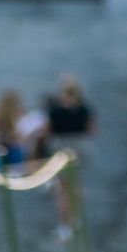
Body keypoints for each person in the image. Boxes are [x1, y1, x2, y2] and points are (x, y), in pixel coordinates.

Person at [44, 74, 97, 241]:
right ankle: (74, 219)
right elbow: (91, 130)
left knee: (63, 190)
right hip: (80, 148)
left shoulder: (55, 110)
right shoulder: (85, 109)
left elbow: (47, 131)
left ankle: (65, 224)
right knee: (75, 185)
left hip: (61, 148)